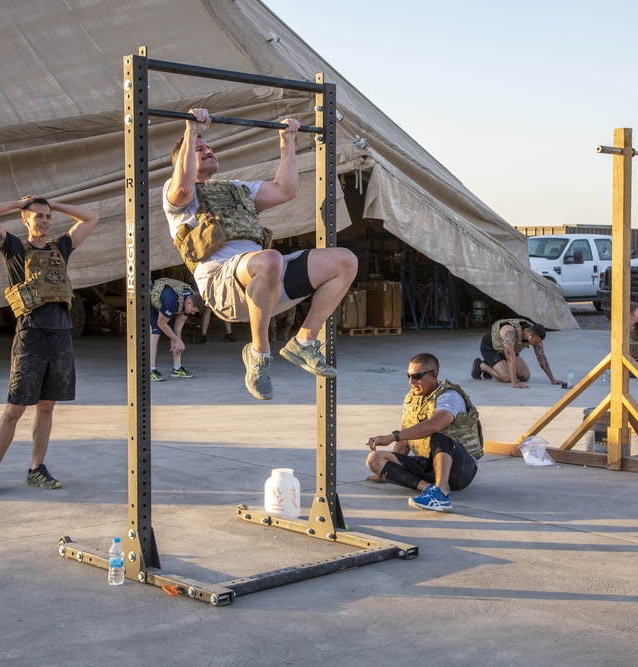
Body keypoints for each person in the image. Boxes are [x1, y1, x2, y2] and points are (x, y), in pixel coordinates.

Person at [163, 108, 358, 401]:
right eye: (199, 150)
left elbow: (285, 190)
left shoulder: (238, 189)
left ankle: (304, 341)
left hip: (264, 281)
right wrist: (190, 132)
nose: (208, 151)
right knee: (269, 259)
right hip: (222, 286)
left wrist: (287, 142)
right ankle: (259, 354)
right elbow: (181, 185)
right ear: (182, 160)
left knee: (344, 261)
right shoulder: (178, 196)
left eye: (209, 147)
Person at [0, 195, 99, 496]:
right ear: (26, 220)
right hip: (31, 334)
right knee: (15, 409)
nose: (44, 221)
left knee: (47, 406)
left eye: (47, 217)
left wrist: (55, 204)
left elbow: (91, 217)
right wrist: (19, 204)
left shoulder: (61, 247)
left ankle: (36, 468)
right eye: (38, 216)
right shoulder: (15, 248)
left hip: (60, 334)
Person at [365, 353, 483, 513]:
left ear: (434, 374)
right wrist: (387, 469)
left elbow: (434, 425)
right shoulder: (411, 399)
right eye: (409, 376)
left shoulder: (449, 396)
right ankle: (429, 488)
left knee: (439, 437)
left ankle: (441, 494)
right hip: (427, 464)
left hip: (460, 469)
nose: (411, 382)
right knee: (375, 459)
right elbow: (404, 438)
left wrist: (390, 437)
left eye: (417, 376)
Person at [471, 318, 563, 388]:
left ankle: (496, 365)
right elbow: (511, 359)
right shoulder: (510, 334)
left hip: (509, 350)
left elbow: (541, 357)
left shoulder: (535, 334)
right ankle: (482, 365)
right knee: (507, 378)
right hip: (491, 348)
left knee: (525, 376)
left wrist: (552, 379)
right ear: (530, 336)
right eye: (535, 342)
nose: (537, 345)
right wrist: (514, 382)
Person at [149, 277, 204, 382]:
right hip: (151, 299)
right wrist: (177, 341)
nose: (192, 314)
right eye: (192, 310)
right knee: (155, 332)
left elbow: (180, 322)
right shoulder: (172, 301)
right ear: (188, 303)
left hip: (164, 303)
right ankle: (150, 370)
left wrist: (177, 339)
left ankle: (177, 368)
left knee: (176, 333)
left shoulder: (189, 300)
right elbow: (161, 323)